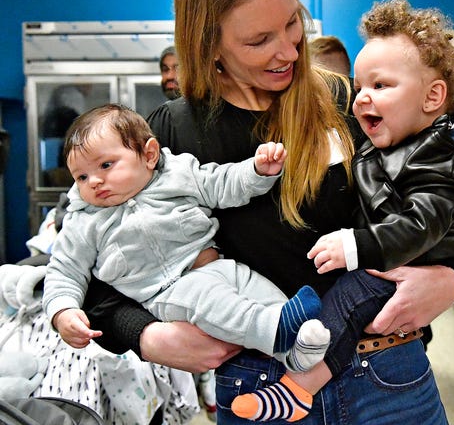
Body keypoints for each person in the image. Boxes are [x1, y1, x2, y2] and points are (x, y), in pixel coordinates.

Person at [80, 0, 454, 425]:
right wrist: (147, 336)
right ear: (208, 44)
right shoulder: (170, 134)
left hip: (387, 371)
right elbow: (90, 261)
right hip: (259, 384)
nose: (290, 52)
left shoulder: (351, 104)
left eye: (292, 24)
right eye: (259, 40)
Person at [230, 0, 454, 421]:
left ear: (433, 95)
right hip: (259, 356)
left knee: (347, 300)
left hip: (395, 289)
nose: (359, 99)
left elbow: (421, 225)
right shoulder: (403, 133)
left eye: (379, 86)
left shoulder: (442, 154)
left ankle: (299, 387)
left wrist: (357, 245)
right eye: (359, 87)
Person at [42, 104, 331, 379]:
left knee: (264, 294)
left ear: (149, 155)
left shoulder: (178, 174)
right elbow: (64, 270)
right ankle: (275, 330)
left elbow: (220, 183)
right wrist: (62, 311)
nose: (93, 181)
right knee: (218, 303)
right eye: (81, 176)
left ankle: (295, 353)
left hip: (222, 266)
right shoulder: (83, 221)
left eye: (106, 165)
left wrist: (256, 171)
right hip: (169, 292)